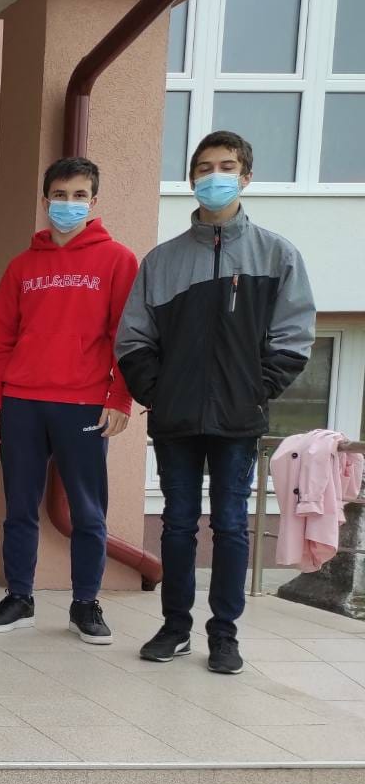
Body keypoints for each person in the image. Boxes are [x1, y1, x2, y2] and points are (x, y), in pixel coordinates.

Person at [117, 130, 315, 675]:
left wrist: (254, 388)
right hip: (176, 418)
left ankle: (224, 635)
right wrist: (158, 393)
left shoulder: (277, 255)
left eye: (226, 166)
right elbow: (132, 339)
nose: (214, 176)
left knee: (230, 526)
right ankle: (174, 628)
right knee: (178, 525)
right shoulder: (163, 260)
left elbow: (294, 337)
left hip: (237, 418)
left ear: (246, 176)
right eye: (204, 167)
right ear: (191, 179)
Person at [0, 157, 138, 646]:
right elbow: (0, 338)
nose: (68, 204)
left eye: (79, 196)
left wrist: (119, 398)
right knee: (19, 508)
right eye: (60, 196)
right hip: (21, 402)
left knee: (88, 512)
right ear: (45, 200)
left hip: (84, 404)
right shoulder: (22, 266)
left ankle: (85, 604)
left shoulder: (118, 260)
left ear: (94, 201)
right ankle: (19, 598)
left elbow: (127, 337)